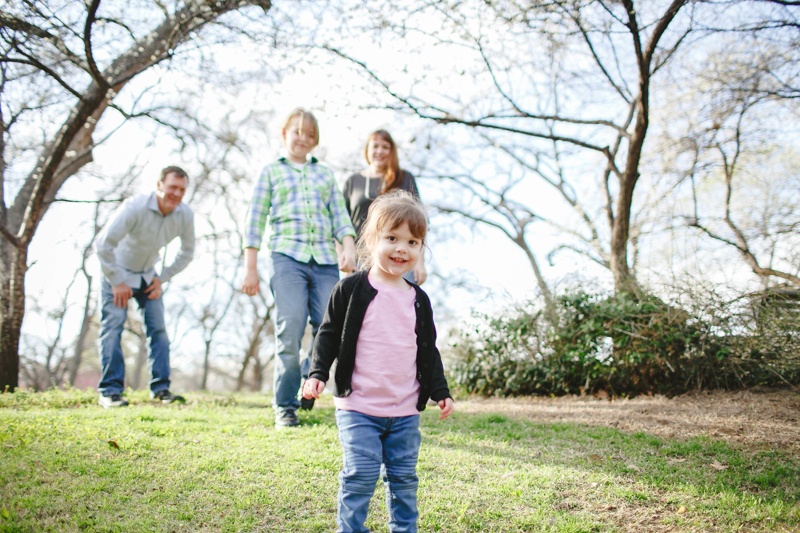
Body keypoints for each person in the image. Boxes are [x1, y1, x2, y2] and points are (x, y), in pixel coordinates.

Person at [303, 189, 454, 533]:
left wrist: (439, 390)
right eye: (392, 238)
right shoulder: (351, 289)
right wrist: (317, 373)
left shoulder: (419, 299)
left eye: (413, 242)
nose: (402, 248)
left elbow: (428, 349)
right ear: (371, 240)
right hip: (358, 406)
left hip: (404, 411)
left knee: (404, 479)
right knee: (361, 473)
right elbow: (327, 334)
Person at [242, 107, 357, 429]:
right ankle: (285, 405)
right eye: (297, 132)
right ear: (285, 134)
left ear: (315, 140)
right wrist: (250, 267)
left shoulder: (324, 175)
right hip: (286, 257)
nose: (303, 139)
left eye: (310, 135)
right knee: (290, 328)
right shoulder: (271, 172)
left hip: (323, 260)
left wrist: (348, 246)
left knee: (328, 328)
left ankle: (311, 378)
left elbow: (339, 216)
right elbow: (255, 221)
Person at [95, 166, 195, 408]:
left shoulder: (184, 215)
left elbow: (187, 252)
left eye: (181, 190)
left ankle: (161, 389)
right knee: (113, 327)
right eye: (172, 187)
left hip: (148, 277)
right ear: (159, 185)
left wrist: (162, 278)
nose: (176, 193)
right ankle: (110, 391)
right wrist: (117, 281)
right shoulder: (135, 207)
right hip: (117, 273)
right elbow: (103, 244)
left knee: (158, 330)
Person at [342, 129, 427, 285]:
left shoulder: (403, 178)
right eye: (375, 146)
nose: (379, 151)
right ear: (367, 150)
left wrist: (420, 263)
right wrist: (345, 257)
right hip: (361, 257)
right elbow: (342, 223)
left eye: (385, 147)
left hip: (399, 254)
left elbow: (419, 226)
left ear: (392, 151)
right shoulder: (353, 181)